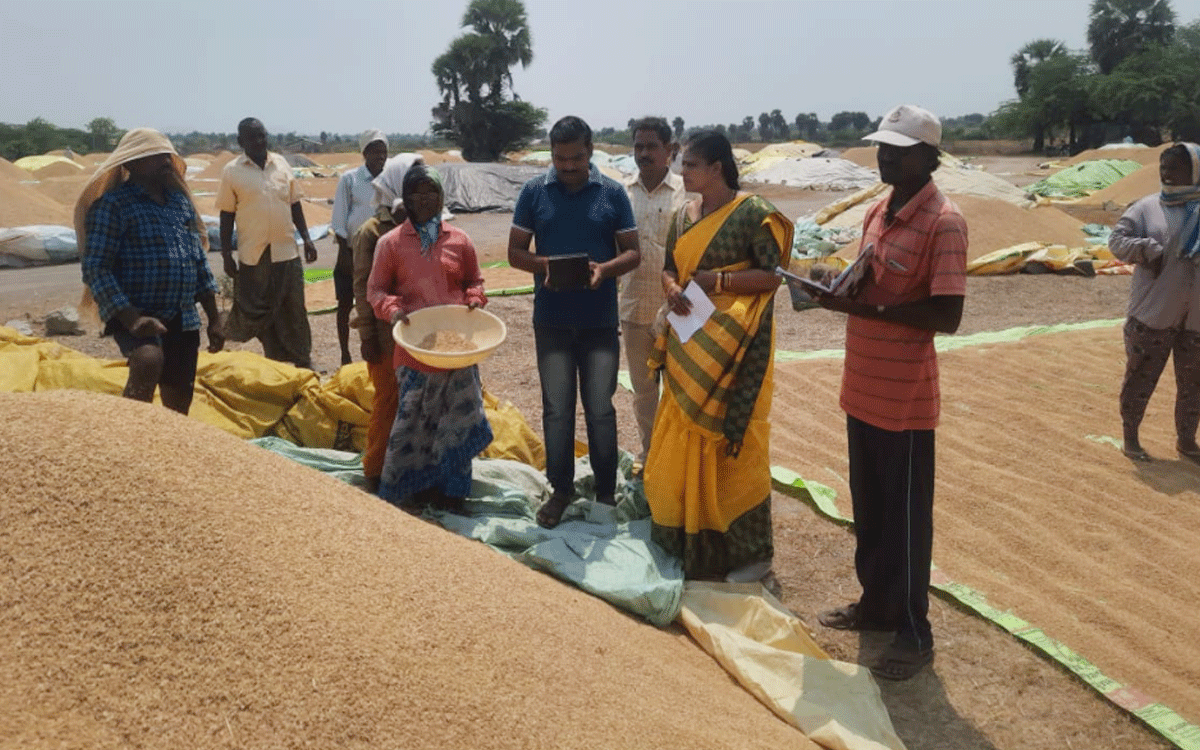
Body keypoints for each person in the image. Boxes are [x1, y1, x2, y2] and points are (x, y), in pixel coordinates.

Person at [814, 104, 967, 681]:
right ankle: (876, 604)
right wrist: (839, 291)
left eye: (898, 150)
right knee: (871, 509)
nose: (884, 156)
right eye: (882, 147)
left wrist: (872, 306)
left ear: (928, 158)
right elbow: (869, 277)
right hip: (862, 387)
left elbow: (947, 313)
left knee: (905, 519)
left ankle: (913, 628)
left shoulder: (945, 222)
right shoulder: (879, 210)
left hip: (904, 398)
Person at [642, 130, 792, 596]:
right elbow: (670, 266)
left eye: (690, 165)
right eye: (682, 164)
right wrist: (670, 289)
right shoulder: (682, 216)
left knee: (735, 441)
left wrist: (720, 281)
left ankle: (747, 554)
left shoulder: (753, 214)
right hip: (689, 347)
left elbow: (774, 275)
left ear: (717, 169)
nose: (681, 172)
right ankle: (687, 543)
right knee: (682, 438)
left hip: (737, 351)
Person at [507, 115, 641, 527]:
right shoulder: (533, 192)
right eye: (560, 158)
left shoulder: (613, 194)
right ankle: (560, 490)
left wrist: (604, 270)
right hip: (551, 320)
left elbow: (633, 253)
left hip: (599, 321)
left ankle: (605, 491)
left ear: (591, 151)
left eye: (576, 158)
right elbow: (515, 253)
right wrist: (547, 264)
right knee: (557, 410)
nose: (567, 167)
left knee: (600, 408)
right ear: (551, 153)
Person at [366, 164, 492, 513]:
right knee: (413, 423)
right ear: (404, 199)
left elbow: (475, 281)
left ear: (442, 197)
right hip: (414, 350)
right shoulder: (390, 244)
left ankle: (452, 493)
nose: (424, 199)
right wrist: (391, 309)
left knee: (455, 422)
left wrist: (474, 299)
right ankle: (409, 490)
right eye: (416, 192)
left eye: (431, 191)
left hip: (457, 352)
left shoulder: (460, 241)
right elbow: (375, 290)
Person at [77, 128, 225, 414]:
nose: (165, 161)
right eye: (154, 156)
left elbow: (197, 262)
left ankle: (167, 449)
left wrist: (215, 318)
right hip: (138, 312)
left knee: (180, 398)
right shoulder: (113, 206)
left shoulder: (179, 204)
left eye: (166, 154)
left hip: (182, 315)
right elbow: (97, 267)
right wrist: (132, 319)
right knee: (148, 360)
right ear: (131, 164)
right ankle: (131, 436)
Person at [1109, 142, 1200, 463]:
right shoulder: (1146, 208)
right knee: (1140, 377)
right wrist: (1147, 249)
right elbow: (1116, 241)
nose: (1167, 174)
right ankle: (1130, 437)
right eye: (1164, 167)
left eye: (1176, 167)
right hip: (1153, 313)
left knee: (1194, 385)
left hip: (1195, 319)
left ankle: (1187, 441)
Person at [217, 117, 319, 369]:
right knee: (262, 313)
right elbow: (226, 215)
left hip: (287, 252)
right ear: (241, 141)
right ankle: (276, 362)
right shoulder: (231, 171)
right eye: (252, 137)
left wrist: (307, 239)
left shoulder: (281, 164)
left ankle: (302, 359)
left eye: (262, 135)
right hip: (254, 255)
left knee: (294, 308)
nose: (259, 141)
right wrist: (226, 255)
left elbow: (294, 204)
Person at [353, 152, 424, 494]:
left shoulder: (428, 227)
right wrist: (367, 335)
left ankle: (412, 472)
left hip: (421, 334)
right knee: (388, 402)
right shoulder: (372, 232)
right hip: (385, 335)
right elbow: (364, 287)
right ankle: (375, 473)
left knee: (421, 405)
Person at [623, 117, 687, 473]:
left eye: (651, 146)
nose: (644, 153)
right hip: (634, 306)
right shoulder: (621, 192)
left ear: (669, 151)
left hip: (679, 308)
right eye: (638, 146)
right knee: (644, 392)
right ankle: (651, 455)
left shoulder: (687, 192)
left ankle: (678, 458)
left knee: (680, 388)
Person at [332, 130, 389, 365]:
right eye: (375, 151)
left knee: (378, 302)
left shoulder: (390, 179)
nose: (380, 156)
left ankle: (379, 350)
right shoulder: (350, 179)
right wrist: (345, 250)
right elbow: (339, 218)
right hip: (351, 251)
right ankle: (345, 354)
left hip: (381, 251)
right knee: (345, 304)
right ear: (364, 152)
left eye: (384, 151)